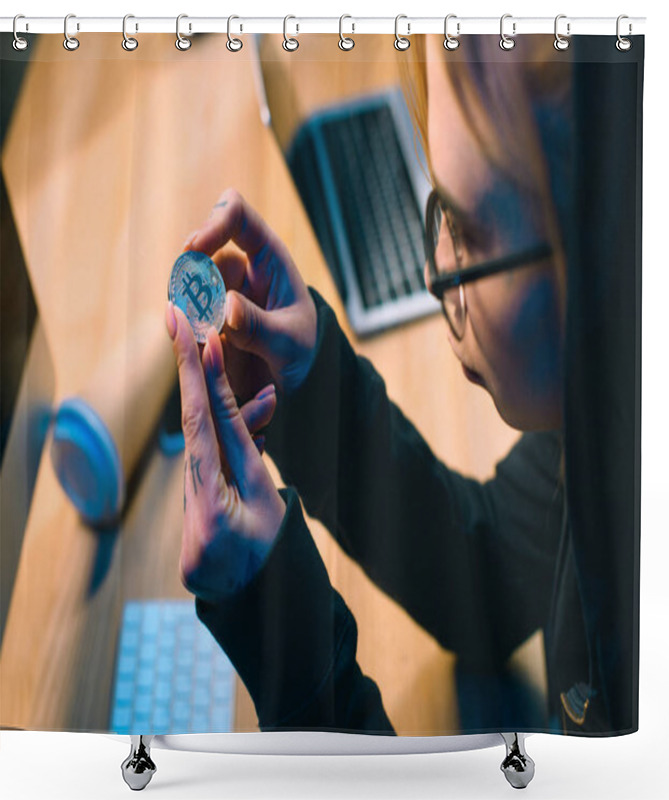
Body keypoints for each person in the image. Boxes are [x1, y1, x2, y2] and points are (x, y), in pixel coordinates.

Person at [164, 33, 637, 736]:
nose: (432, 271)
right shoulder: (603, 425)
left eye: (472, 232)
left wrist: (282, 633)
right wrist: (313, 388)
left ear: (604, 258)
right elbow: (492, 576)